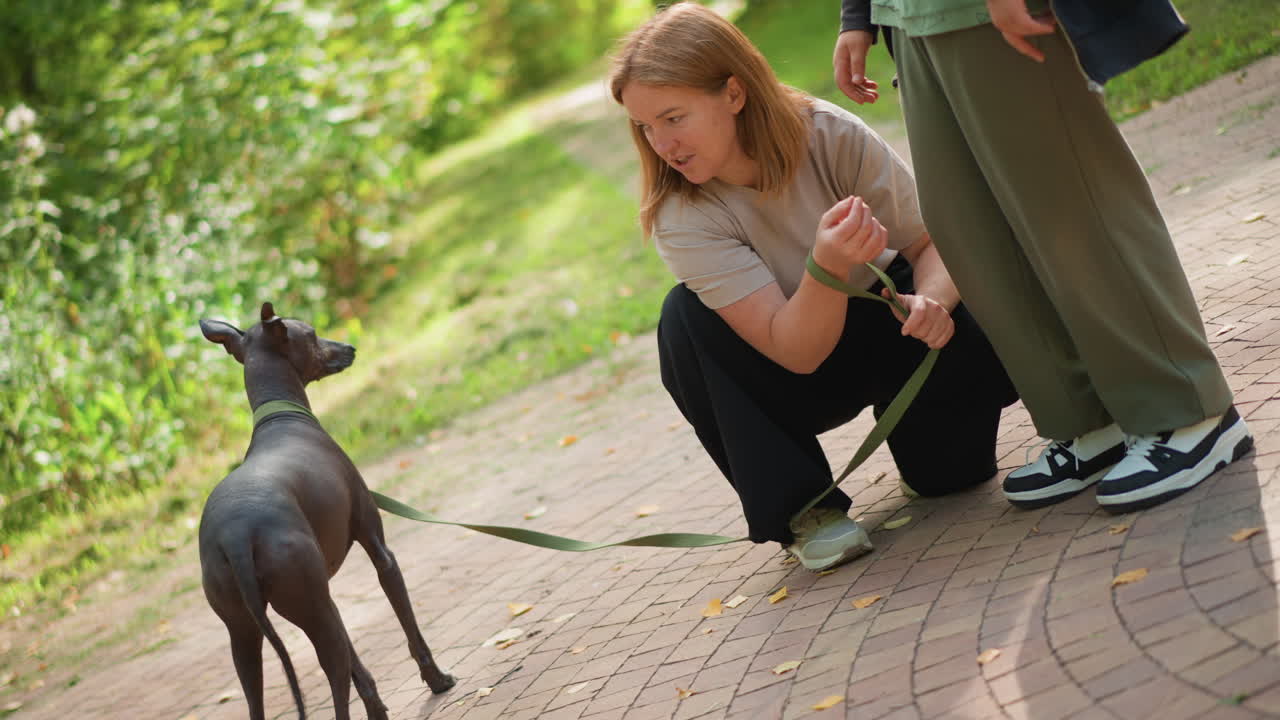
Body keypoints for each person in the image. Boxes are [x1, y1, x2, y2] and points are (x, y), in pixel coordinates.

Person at [608, 2, 1018, 572]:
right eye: (646, 127)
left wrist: (933, 301)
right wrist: (824, 267)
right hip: (789, 367)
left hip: (885, 325)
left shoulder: (828, 134)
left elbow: (932, 240)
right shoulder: (681, 214)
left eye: (674, 117)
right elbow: (798, 354)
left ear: (733, 93)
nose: (663, 144)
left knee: (951, 479)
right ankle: (807, 511)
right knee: (684, 319)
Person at [833, 0, 1253, 514]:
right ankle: (1090, 421)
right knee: (974, 230)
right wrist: (857, 14)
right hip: (909, 19)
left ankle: (1189, 411)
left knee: (1071, 205)